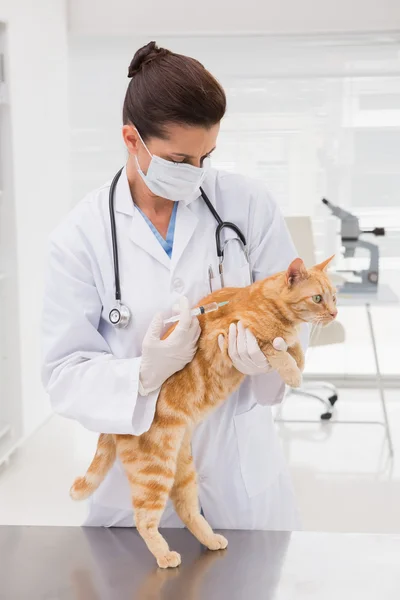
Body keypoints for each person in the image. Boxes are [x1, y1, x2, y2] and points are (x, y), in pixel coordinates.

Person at [41, 41, 308, 529]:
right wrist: (142, 374)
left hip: (238, 471)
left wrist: (270, 354)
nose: (197, 174)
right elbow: (63, 372)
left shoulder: (246, 205)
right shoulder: (80, 236)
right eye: (179, 159)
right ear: (131, 139)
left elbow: (294, 312)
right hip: (141, 476)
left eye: (207, 156)